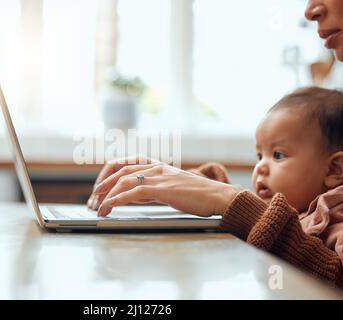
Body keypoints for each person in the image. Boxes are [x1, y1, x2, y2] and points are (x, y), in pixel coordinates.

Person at [86, 1, 343, 287]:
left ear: (336, 169)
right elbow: (273, 214)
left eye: (278, 155)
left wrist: (230, 200)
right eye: (260, 155)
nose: (260, 168)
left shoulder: (337, 220)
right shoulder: (303, 206)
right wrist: (188, 184)